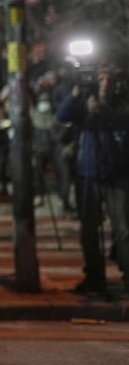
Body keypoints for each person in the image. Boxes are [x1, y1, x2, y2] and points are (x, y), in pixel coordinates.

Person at [56, 64, 129, 296]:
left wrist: (105, 108)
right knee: (89, 229)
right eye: (98, 74)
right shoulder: (83, 95)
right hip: (87, 170)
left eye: (106, 73)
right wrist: (77, 91)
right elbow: (63, 115)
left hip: (118, 172)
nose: (102, 78)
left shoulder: (122, 94)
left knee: (124, 228)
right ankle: (95, 279)